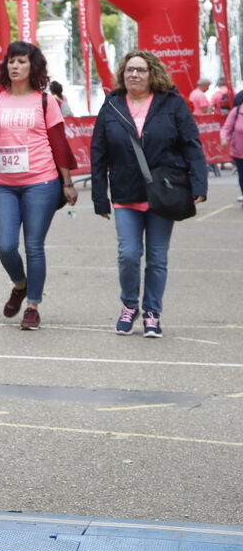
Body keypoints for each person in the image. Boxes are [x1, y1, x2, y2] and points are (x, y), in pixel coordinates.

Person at [91, 50, 208, 337]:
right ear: (123, 74)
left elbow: (191, 144)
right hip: (125, 192)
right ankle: (129, 306)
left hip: (163, 193)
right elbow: (98, 152)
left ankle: (153, 312)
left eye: (141, 70)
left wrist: (199, 184)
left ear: (152, 73)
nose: (134, 75)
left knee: (157, 258)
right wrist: (98, 196)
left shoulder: (172, 104)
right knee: (128, 254)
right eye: (129, 70)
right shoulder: (112, 105)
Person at [0, 41, 77, 331]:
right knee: (5, 245)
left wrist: (67, 183)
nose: (15, 66)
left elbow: (59, 143)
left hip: (41, 182)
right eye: (11, 61)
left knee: (34, 246)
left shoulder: (45, 102)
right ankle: (20, 285)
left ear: (33, 67)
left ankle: (32, 306)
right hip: (4, 185)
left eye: (21, 61)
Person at [222, 100, 243, 205]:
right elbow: (226, 127)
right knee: (242, 176)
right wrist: (224, 138)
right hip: (239, 152)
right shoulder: (236, 111)